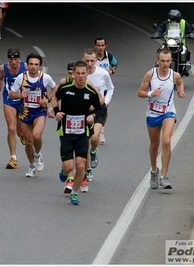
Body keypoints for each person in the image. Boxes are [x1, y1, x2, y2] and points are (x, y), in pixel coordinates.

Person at [51, 61, 102, 205]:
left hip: (82, 133)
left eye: (83, 73)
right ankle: (63, 170)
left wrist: (93, 116)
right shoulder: (65, 88)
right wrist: (57, 112)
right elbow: (54, 98)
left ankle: (74, 192)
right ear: (73, 74)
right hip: (66, 132)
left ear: (87, 74)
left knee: (80, 166)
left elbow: (99, 108)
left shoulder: (91, 92)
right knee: (69, 167)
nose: (80, 76)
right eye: (77, 73)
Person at [137, 48, 186, 190]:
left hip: (168, 112)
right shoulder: (150, 74)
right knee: (154, 145)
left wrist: (181, 91)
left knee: (166, 141)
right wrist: (152, 93)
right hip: (152, 113)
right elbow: (140, 93)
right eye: (162, 61)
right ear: (157, 61)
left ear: (171, 61)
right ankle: (154, 171)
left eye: (168, 61)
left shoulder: (174, 75)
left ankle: (164, 177)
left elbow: (180, 83)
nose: (165, 64)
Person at [8, 53, 57, 178]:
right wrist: (20, 96)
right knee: (28, 143)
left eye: (36, 64)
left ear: (39, 66)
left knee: (36, 136)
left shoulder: (45, 77)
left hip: (39, 111)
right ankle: (31, 165)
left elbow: (56, 88)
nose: (33, 67)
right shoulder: (21, 78)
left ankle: (38, 154)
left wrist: (48, 99)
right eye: (31, 64)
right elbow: (11, 94)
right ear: (27, 65)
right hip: (25, 112)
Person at [83, 48, 114, 182]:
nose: (89, 63)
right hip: (83, 111)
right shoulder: (80, 74)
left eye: (92, 60)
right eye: (87, 60)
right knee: (85, 142)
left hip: (99, 110)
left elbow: (111, 88)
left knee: (94, 138)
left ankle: (94, 152)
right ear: (83, 60)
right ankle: (87, 169)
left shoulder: (103, 73)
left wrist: (105, 102)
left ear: (96, 60)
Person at [0, 47, 27, 169]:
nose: (14, 62)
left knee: (20, 132)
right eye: (11, 59)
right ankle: (13, 158)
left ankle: (22, 134)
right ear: (8, 60)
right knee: (11, 128)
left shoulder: (26, 67)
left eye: (16, 59)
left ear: (19, 59)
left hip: (22, 100)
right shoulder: (3, 68)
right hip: (9, 100)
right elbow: (0, 78)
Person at [151, 9, 194, 76]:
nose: (172, 21)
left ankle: (185, 67)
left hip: (180, 42)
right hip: (168, 42)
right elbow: (160, 29)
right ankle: (158, 63)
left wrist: (192, 34)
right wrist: (157, 33)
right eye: (171, 19)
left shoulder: (184, 23)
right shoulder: (167, 22)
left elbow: (190, 30)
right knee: (160, 49)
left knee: (187, 52)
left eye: (174, 19)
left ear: (178, 19)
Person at [94, 36, 118, 144]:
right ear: (95, 46)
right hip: (92, 87)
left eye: (102, 45)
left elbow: (115, 64)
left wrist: (112, 71)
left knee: (103, 109)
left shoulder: (109, 56)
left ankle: (101, 130)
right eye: (98, 45)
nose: (100, 48)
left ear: (105, 46)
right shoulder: (91, 57)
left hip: (104, 88)